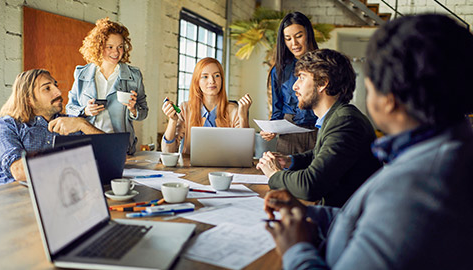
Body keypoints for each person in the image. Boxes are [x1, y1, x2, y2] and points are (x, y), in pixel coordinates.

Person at [264, 14, 473, 269]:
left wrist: (295, 249)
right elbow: (366, 218)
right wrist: (310, 214)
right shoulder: (439, 154)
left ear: (389, 97)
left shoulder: (415, 189)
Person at [257, 49, 381, 207]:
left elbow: (310, 186)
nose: (295, 86)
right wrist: (289, 160)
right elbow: (319, 154)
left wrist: (274, 174)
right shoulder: (335, 116)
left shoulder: (345, 122)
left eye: (302, 78)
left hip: (342, 221)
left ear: (323, 83)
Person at [0, 69, 103, 185]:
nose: (59, 92)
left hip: (67, 194)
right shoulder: (6, 126)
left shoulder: (72, 123)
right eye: (47, 88)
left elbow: (111, 156)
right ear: (28, 99)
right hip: (19, 197)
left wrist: (83, 124)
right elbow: (19, 171)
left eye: (56, 85)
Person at [66, 18, 148, 155]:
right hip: (87, 146)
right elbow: (70, 108)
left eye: (120, 46)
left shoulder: (134, 76)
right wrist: (86, 111)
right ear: (98, 46)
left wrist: (133, 109)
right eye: (110, 47)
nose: (116, 52)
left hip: (120, 147)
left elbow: (143, 111)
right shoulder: (82, 74)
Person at [161, 57, 252, 154]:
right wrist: (173, 120)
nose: (212, 81)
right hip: (190, 168)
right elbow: (168, 152)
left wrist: (243, 117)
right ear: (197, 82)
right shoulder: (185, 109)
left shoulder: (234, 111)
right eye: (205, 76)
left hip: (225, 168)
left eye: (217, 75)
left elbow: (245, 152)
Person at [260, 11, 319, 155]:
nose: (294, 43)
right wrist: (272, 129)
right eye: (288, 38)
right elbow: (277, 109)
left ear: (308, 34)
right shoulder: (278, 70)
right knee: (287, 173)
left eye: (299, 36)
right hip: (289, 135)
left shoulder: (323, 64)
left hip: (320, 131)